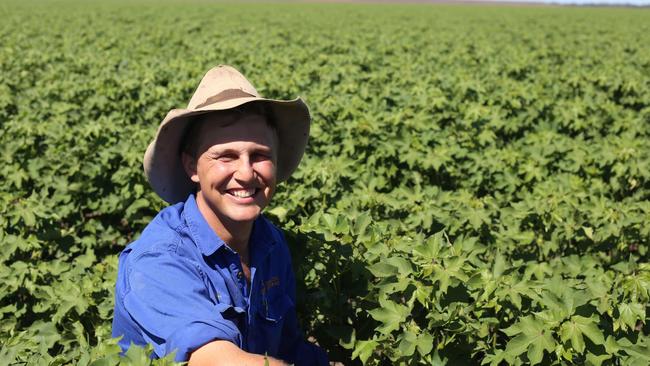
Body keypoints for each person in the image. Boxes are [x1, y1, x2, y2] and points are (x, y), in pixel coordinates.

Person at [112, 65, 329, 365]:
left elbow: (287, 348)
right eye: (226, 156)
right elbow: (215, 360)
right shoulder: (159, 259)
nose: (245, 172)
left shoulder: (271, 243)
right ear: (192, 167)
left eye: (259, 155)